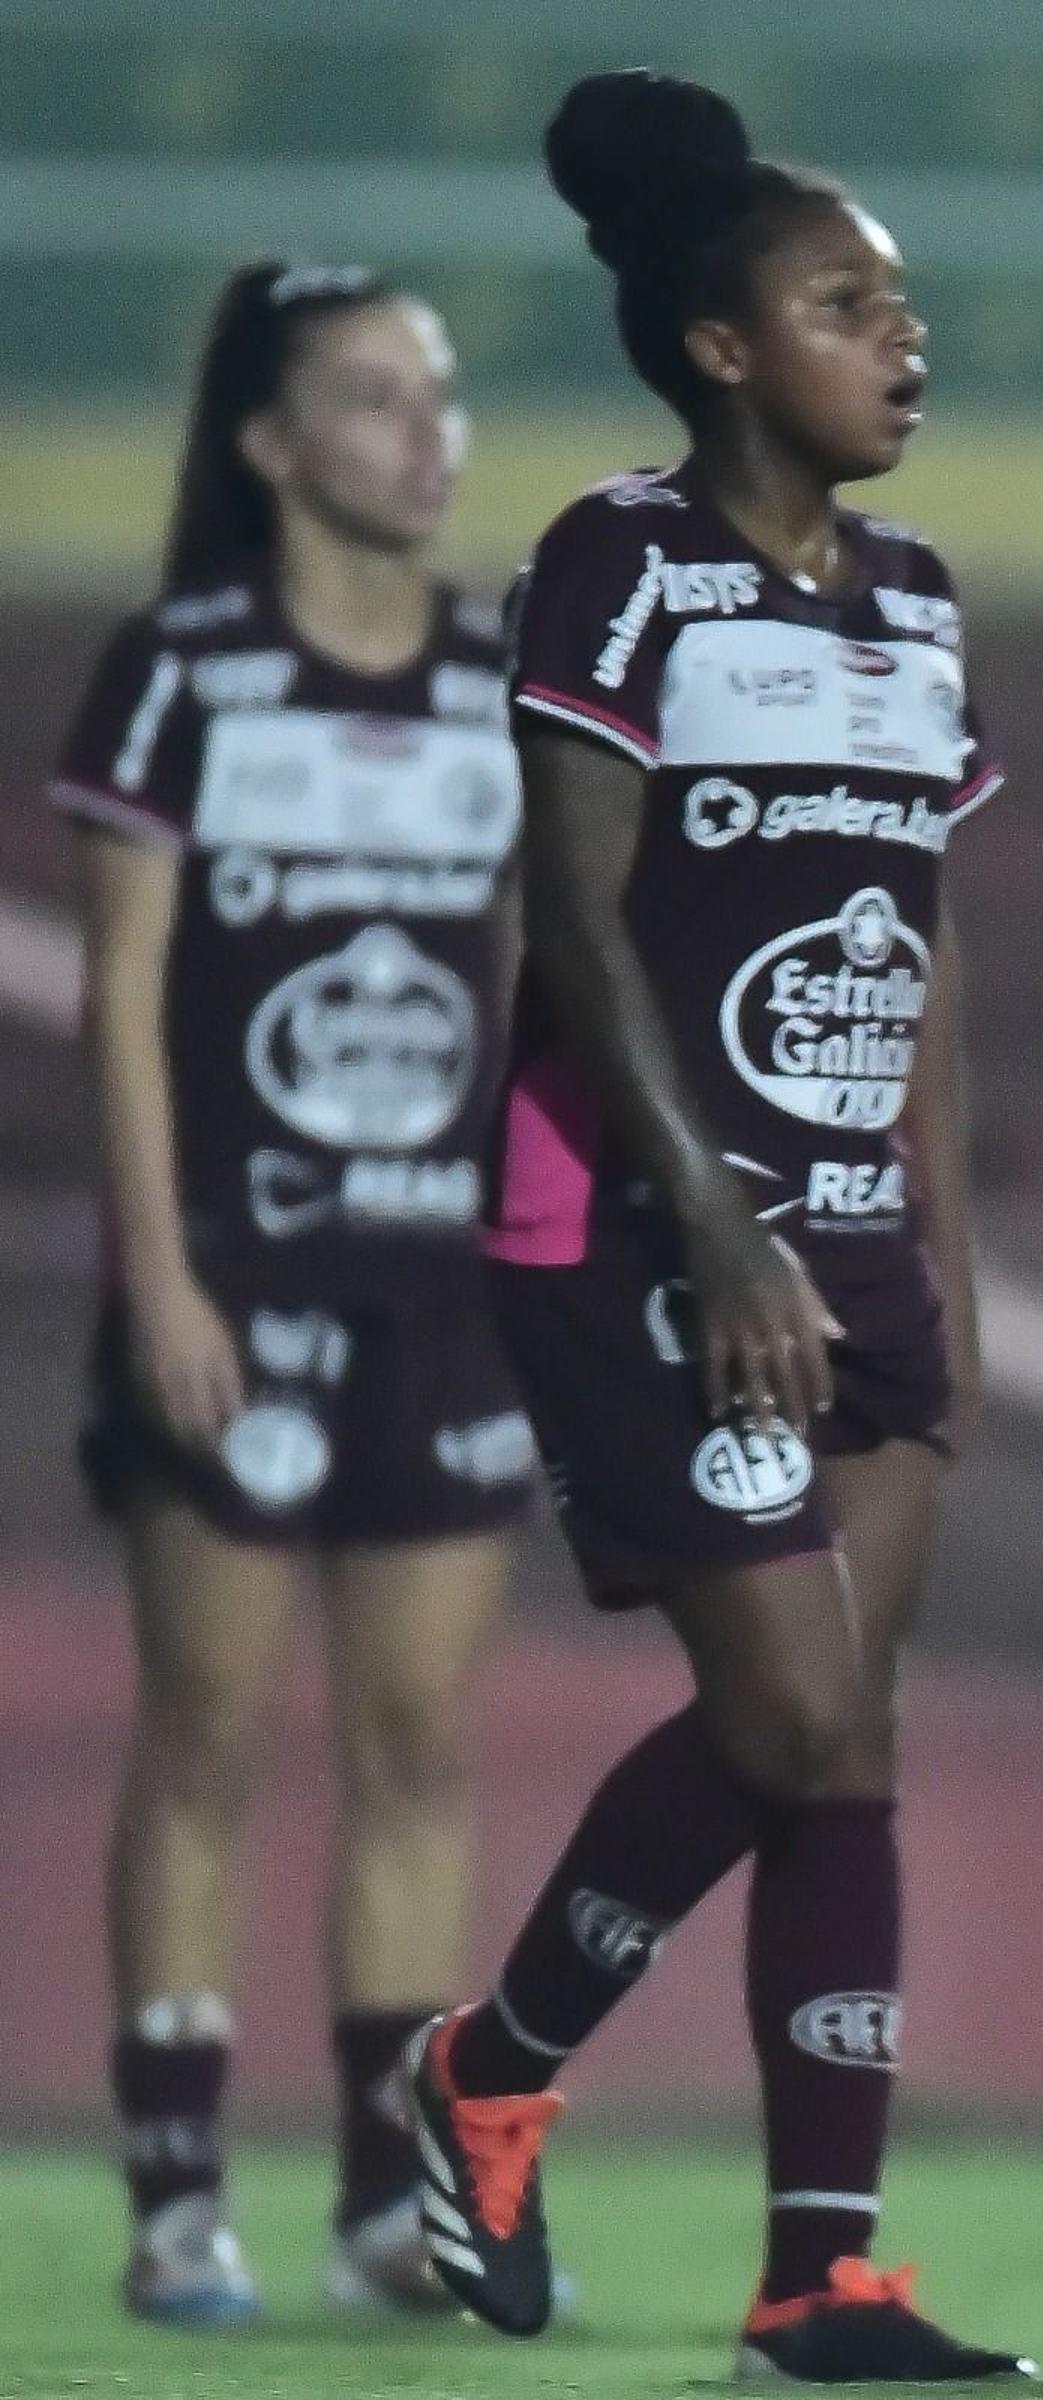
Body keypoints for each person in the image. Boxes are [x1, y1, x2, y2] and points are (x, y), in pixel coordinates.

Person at [389, 71, 1024, 2382]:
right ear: (730, 346)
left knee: (835, 1739)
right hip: (634, 1227)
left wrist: (936, 1258)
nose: (903, 336)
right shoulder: (621, 559)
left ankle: (814, 2277)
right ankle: (491, 2067)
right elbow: (564, 916)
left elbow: (922, 948)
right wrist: (721, 1228)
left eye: (906, 303)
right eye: (849, 302)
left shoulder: (926, 605)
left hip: (856, 1244)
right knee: (785, 1704)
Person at [49, 260, 530, 2327]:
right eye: (370, 398)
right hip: (234, 1280)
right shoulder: (185, 675)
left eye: (436, 397)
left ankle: (377, 2205)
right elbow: (127, 1002)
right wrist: (156, 1272)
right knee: (211, 1731)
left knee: (420, 1736)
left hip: (441, 1283)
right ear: (269, 446)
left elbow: (536, 991)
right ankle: (176, 2197)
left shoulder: (503, 679)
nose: (424, 434)